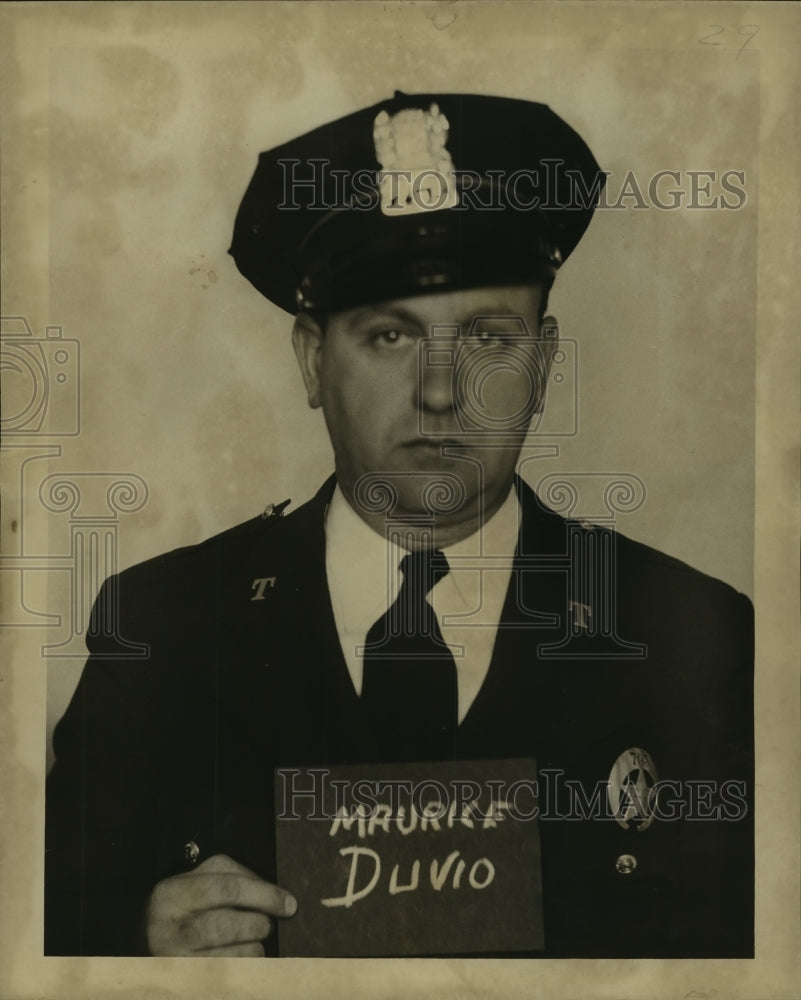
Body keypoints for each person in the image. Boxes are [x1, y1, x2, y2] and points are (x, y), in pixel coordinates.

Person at [44, 91, 753, 959]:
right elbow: (42, 937)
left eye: (490, 339)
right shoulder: (163, 631)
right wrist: (130, 956)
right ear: (312, 360)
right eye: (389, 337)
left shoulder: (689, 636)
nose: (441, 391)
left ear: (542, 365)